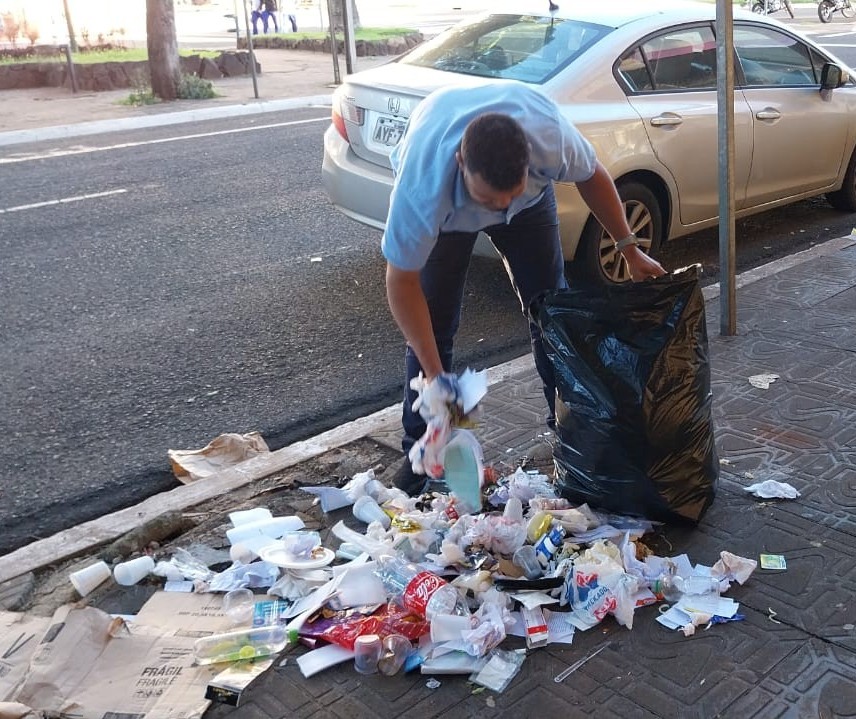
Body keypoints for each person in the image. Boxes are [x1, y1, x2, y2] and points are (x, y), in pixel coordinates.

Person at [382, 81, 666, 496]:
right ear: (461, 163)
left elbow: (593, 177)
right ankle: (423, 454)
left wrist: (628, 248)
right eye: (488, 200)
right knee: (433, 327)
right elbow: (401, 282)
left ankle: (572, 427)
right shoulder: (423, 188)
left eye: (506, 197)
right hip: (449, 219)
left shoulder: (547, 134)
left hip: (532, 207)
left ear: (530, 162)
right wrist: (436, 376)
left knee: (551, 309)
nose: (498, 211)